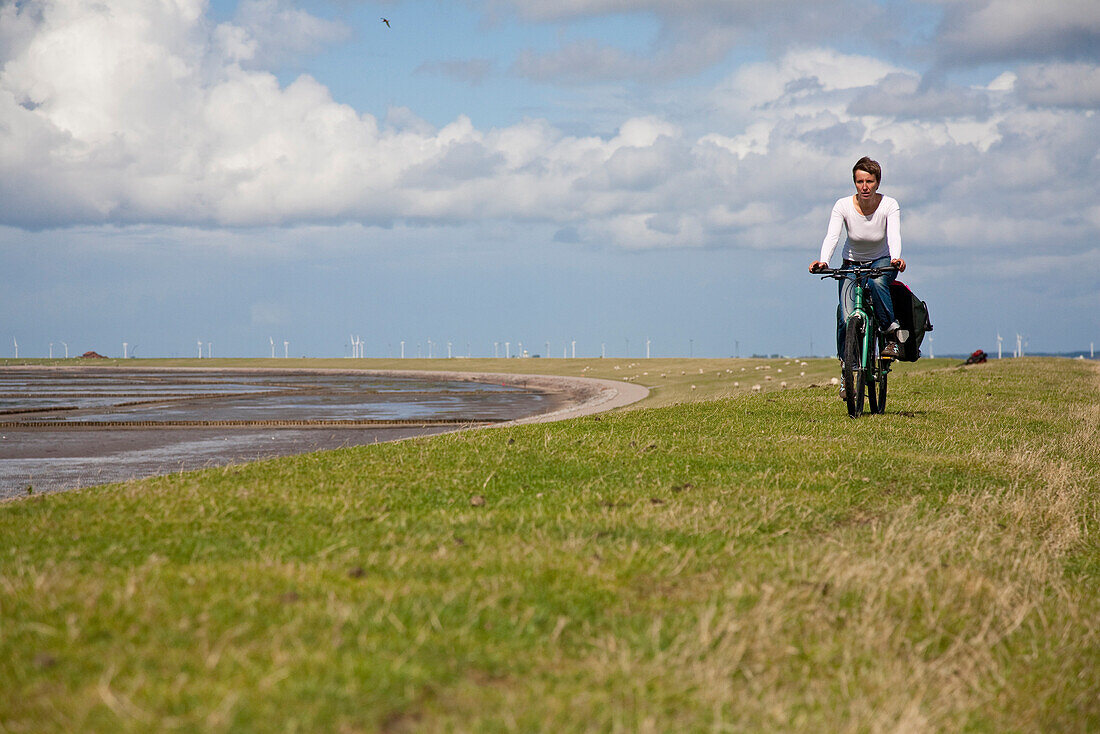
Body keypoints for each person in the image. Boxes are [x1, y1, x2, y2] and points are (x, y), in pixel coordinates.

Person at [809, 156, 906, 362]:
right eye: (860, 181)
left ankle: (890, 334)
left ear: (877, 182)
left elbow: (894, 235)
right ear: (854, 182)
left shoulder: (889, 204)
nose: (864, 186)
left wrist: (896, 258)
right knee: (846, 318)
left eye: (869, 181)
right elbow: (832, 236)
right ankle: (847, 367)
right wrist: (823, 261)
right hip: (851, 264)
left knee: (877, 283)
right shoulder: (842, 205)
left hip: (882, 260)